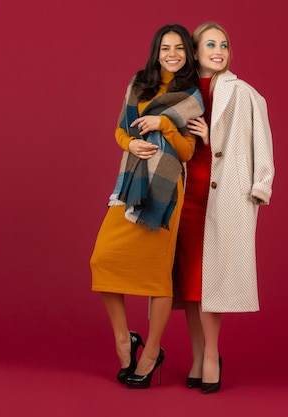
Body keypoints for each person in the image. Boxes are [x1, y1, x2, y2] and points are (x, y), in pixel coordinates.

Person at [90, 24, 203, 389]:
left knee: (157, 275)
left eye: (179, 48)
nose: (172, 53)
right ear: (156, 52)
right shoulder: (139, 83)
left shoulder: (191, 95)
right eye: (165, 47)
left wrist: (163, 124)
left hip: (167, 189)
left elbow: (187, 151)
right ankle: (126, 340)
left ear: (188, 53)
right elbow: (121, 129)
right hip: (131, 182)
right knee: (103, 259)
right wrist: (130, 145)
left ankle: (152, 354)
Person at [172, 22, 275, 394]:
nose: (219, 50)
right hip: (186, 197)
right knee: (188, 284)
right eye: (210, 44)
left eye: (225, 44)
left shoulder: (243, 93)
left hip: (223, 194)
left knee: (210, 280)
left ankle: (212, 355)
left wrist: (260, 185)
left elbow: (259, 140)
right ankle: (197, 356)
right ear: (195, 51)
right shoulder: (180, 91)